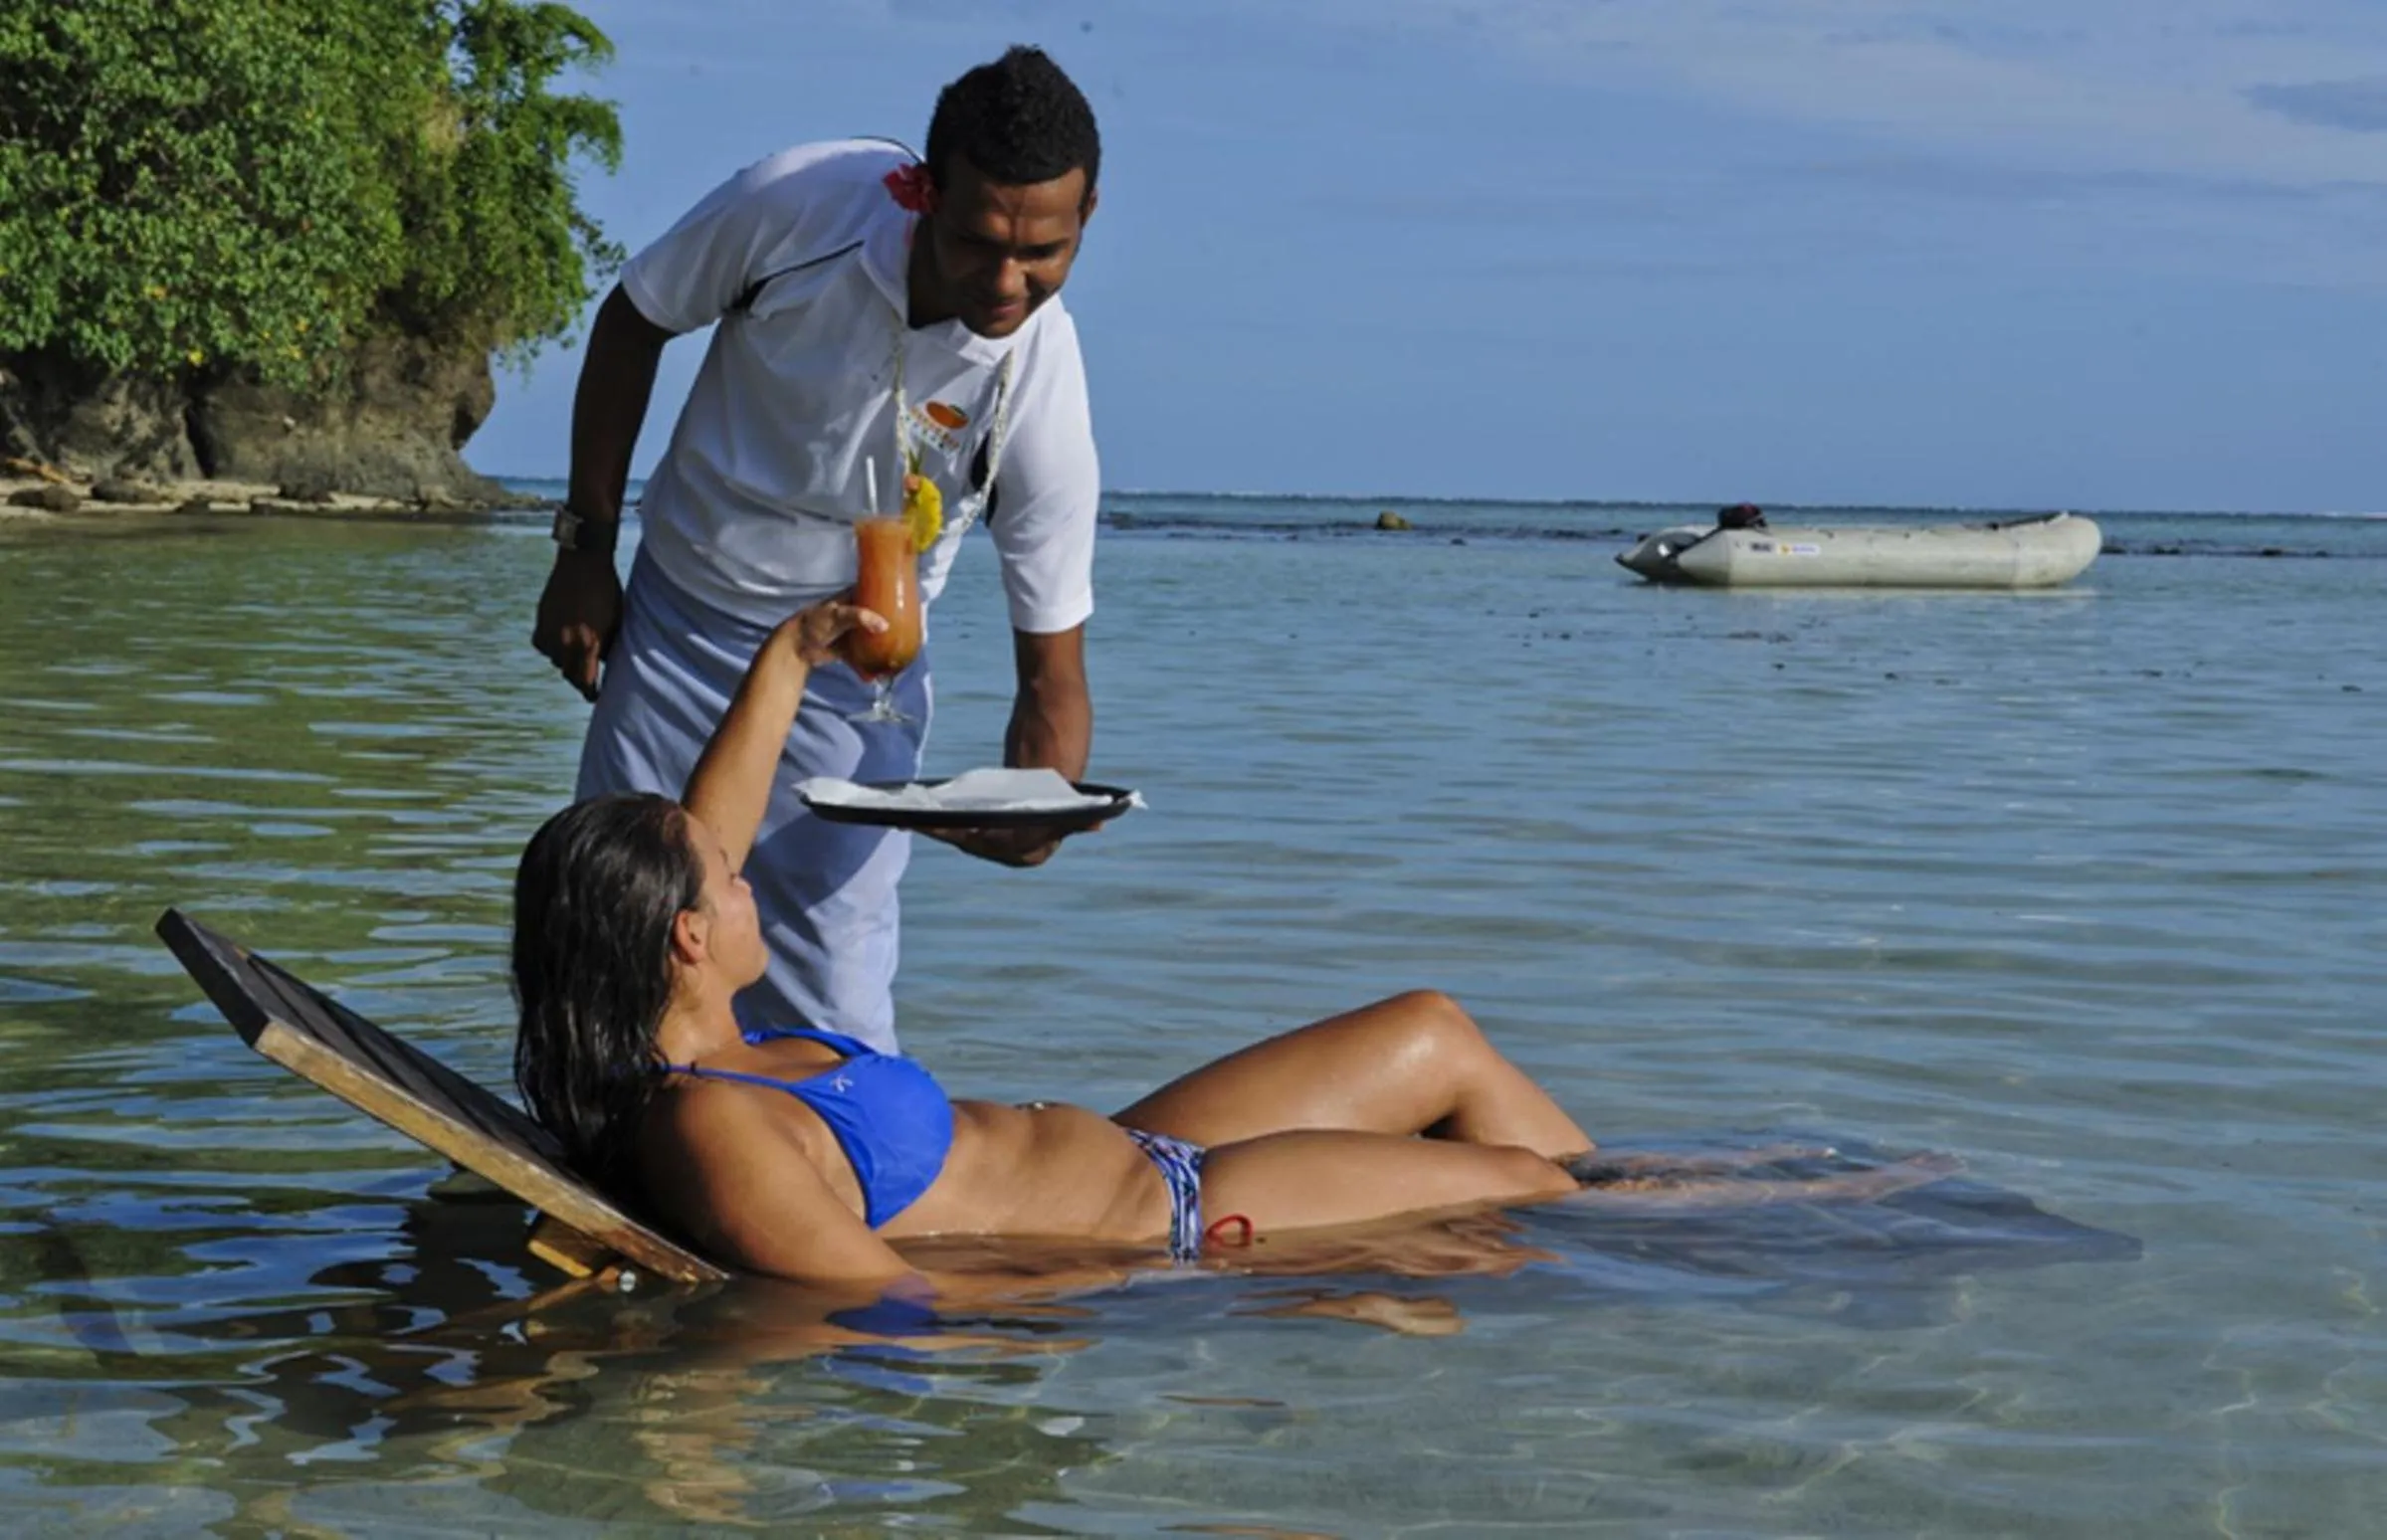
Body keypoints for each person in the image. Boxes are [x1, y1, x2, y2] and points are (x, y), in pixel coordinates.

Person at [512, 598, 1958, 1296]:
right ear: (687, 938)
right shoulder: (715, 1123)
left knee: (1433, 1027)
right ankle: (1792, 1235)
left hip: (1139, 1153)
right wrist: (1167, 1304)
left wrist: (789, 657)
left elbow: (701, 825)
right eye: (728, 871)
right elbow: (876, 1309)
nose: (755, 859)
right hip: (1172, 1223)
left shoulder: (714, 1044)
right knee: (1524, 1185)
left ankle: (1676, 1211)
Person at [530, 46, 1106, 1055]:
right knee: (617, 948)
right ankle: (586, 1154)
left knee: (827, 989)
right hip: (681, 623)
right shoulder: (798, 206)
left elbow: (1051, 672)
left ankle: (823, 1176)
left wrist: (1035, 813)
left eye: (1044, 253)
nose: (1008, 281)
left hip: (853, 679)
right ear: (923, 192)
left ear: (1084, 217)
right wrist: (584, 546)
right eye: (979, 242)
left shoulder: (1042, 389)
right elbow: (632, 322)